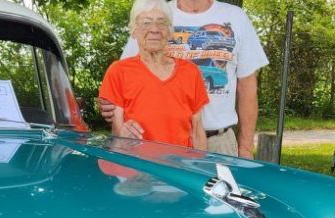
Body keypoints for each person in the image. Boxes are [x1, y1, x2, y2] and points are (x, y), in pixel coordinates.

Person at [99, 0, 268, 158]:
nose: (154, 28)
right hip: (154, 144)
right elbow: (124, 81)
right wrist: (111, 107)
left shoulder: (236, 17)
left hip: (219, 141)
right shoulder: (155, 10)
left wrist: (245, 148)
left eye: (160, 24)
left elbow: (247, 87)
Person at [98, 0, 209, 150]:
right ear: (134, 30)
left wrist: (201, 169)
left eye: (161, 23)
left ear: (170, 31)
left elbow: (197, 132)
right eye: (146, 23)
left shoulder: (191, 72)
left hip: (180, 167)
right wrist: (123, 135)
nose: (154, 29)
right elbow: (117, 133)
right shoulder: (118, 72)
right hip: (137, 168)